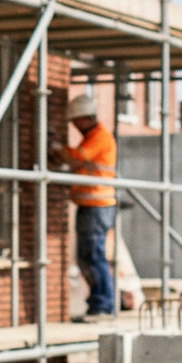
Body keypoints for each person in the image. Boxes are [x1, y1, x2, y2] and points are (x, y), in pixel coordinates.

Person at [53, 89, 119, 320]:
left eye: (75, 120)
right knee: (87, 256)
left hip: (97, 205)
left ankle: (102, 306)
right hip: (91, 205)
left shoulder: (99, 136)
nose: (73, 125)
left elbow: (76, 158)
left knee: (93, 256)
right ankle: (99, 304)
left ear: (84, 118)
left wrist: (57, 148)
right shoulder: (92, 137)